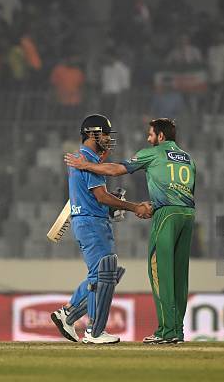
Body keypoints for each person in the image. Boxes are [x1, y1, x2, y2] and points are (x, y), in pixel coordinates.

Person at [65, 118, 196, 344]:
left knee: (159, 273)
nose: (148, 138)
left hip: (164, 215)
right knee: (179, 277)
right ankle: (177, 331)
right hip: (188, 214)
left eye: (151, 134)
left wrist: (86, 166)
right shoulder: (188, 158)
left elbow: (117, 170)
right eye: (105, 133)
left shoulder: (152, 153)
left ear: (161, 137)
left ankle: (165, 332)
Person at [51, 114, 152, 344]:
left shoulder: (84, 158)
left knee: (109, 274)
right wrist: (134, 206)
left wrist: (108, 209)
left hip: (91, 220)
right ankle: (94, 332)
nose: (108, 138)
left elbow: (94, 198)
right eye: (104, 134)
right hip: (91, 223)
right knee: (104, 274)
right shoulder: (86, 160)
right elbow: (101, 196)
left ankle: (68, 314)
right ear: (91, 133)